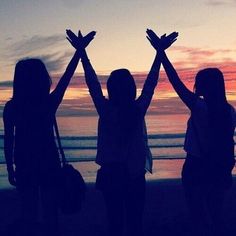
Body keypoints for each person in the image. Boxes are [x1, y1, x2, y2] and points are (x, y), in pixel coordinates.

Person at [66, 29, 178, 236]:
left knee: (114, 222)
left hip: (111, 175)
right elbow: (151, 84)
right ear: (131, 89)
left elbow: (92, 84)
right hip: (135, 175)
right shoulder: (137, 109)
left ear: (110, 88)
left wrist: (82, 53)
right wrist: (159, 53)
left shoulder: (106, 110)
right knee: (135, 222)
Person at [3, 30, 95, 235]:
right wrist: (79, 51)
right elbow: (66, 79)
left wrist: (10, 168)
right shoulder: (48, 104)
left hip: (24, 164)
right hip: (48, 163)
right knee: (50, 215)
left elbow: (9, 142)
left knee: (29, 213)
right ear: (42, 80)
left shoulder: (12, 108)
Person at [146, 29, 236, 236]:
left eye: (199, 82)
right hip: (219, 166)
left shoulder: (200, 107)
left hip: (196, 165)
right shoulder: (229, 111)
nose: (195, 86)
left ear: (204, 86)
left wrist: (161, 52)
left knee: (197, 214)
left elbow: (175, 81)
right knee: (216, 213)